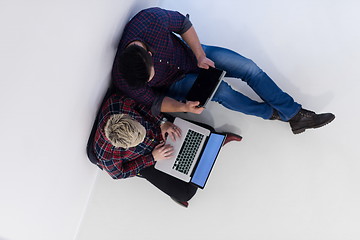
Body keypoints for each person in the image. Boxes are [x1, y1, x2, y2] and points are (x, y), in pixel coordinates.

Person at [112, 7, 335, 134]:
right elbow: (155, 102)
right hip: (176, 83)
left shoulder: (148, 21)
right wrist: (182, 106)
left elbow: (182, 24)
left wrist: (200, 55)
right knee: (222, 93)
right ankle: (276, 114)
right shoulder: (126, 79)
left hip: (193, 54)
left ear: (149, 54)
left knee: (248, 68)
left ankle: (294, 115)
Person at [92, 93, 241, 207]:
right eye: (139, 140)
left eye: (141, 131)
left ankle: (213, 145)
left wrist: (162, 122)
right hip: (147, 157)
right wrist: (152, 158)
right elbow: (118, 174)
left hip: (157, 129)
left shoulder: (119, 103)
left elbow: (142, 106)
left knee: (207, 131)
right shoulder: (107, 155)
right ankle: (211, 149)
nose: (144, 139)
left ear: (128, 118)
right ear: (123, 147)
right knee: (185, 193)